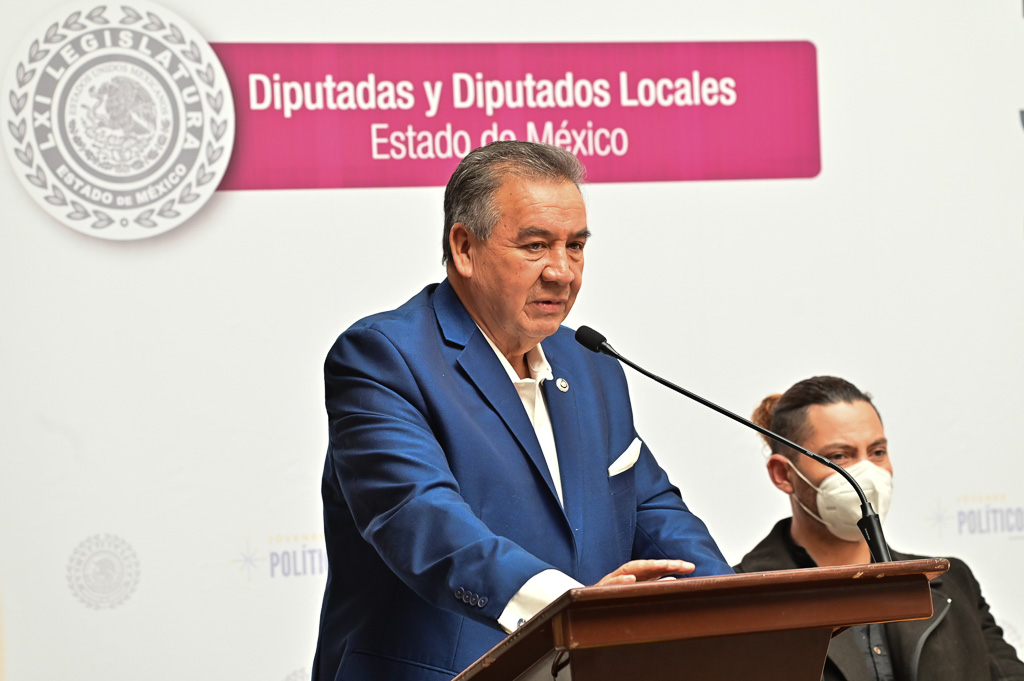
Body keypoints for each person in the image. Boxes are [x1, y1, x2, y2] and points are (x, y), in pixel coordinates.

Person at [311, 141, 732, 681]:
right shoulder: (385, 357)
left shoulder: (589, 363)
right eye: (536, 246)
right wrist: (570, 613)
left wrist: (731, 603)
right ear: (464, 247)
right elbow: (421, 520)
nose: (563, 272)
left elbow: (650, 509)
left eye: (575, 246)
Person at [735, 375, 1024, 681]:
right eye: (838, 456)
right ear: (783, 474)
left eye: (877, 452)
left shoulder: (951, 581)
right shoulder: (738, 600)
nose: (867, 474)